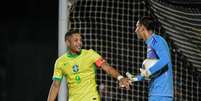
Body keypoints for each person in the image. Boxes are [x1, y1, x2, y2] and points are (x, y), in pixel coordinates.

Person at [47, 30, 131, 101]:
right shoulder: (60, 62)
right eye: (76, 40)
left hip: (91, 98)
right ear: (68, 43)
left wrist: (120, 77)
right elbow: (55, 86)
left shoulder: (90, 54)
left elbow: (107, 67)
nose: (79, 43)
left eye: (80, 40)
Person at [134, 16, 173, 101]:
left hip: (162, 93)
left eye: (137, 26)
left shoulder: (156, 40)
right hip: (155, 92)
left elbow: (165, 60)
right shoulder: (150, 43)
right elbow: (150, 70)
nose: (135, 30)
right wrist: (136, 78)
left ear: (142, 28)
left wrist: (148, 72)